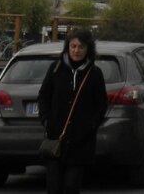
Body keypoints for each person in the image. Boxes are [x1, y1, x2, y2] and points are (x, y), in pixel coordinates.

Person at [37, 27, 109, 194]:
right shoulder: (55, 69)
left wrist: (91, 126)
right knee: (53, 187)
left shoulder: (94, 73)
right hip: (56, 138)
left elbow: (101, 104)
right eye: (73, 46)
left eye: (81, 47)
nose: (76, 50)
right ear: (68, 47)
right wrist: (47, 121)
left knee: (71, 185)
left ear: (88, 49)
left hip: (81, 142)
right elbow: (43, 97)